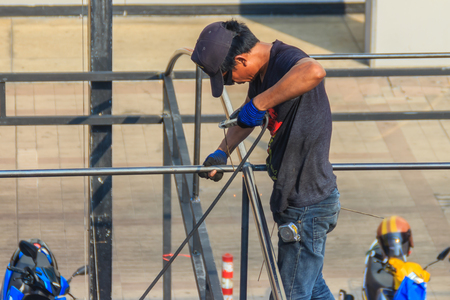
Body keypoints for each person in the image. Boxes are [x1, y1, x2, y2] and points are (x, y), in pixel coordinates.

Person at [191, 20, 340, 300]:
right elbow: (246, 119)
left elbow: (315, 71)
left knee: (288, 294)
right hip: (297, 202)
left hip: (308, 205)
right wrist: (221, 151)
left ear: (241, 59)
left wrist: (258, 104)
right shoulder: (260, 73)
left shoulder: (286, 59)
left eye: (227, 77)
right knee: (313, 287)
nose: (230, 83)